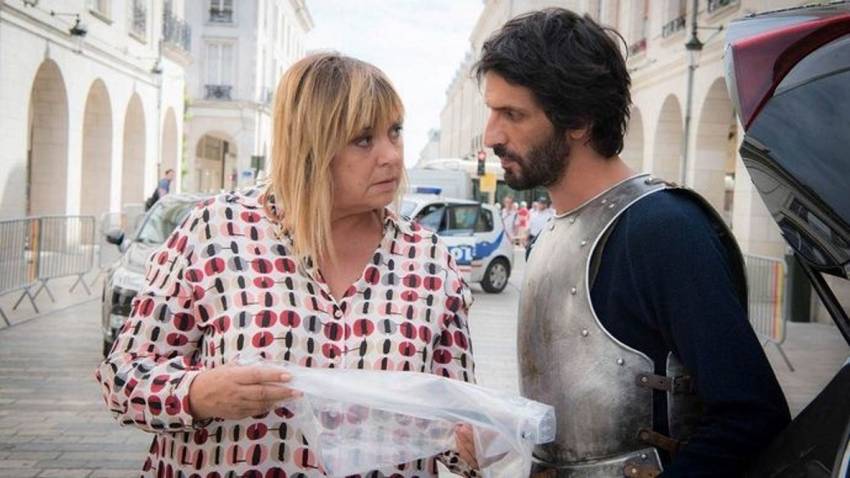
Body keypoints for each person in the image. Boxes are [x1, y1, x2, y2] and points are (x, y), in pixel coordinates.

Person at [97, 53, 479, 477]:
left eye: (395, 131)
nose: (391, 155)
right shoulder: (215, 233)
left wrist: (480, 446)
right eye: (363, 139)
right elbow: (123, 377)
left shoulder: (429, 261)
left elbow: (458, 423)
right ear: (310, 145)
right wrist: (197, 393)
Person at [474, 8, 790, 477]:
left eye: (512, 115)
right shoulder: (548, 238)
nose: (490, 135)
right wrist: (509, 434)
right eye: (492, 111)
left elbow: (751, 417)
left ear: (578, 120)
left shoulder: (664, 230)